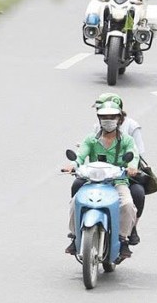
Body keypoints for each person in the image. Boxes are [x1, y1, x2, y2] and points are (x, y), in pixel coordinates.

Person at [63, 102, 140, 262]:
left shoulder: (126, 140)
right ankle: (74, 235)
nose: (108, 120)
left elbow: (134, 155)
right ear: (99, 119)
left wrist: (132, 167)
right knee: (74, 202)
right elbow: (80, 155)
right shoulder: (91, 139)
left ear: (119, 119)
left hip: (118, 182)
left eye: (112, 117)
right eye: (104, 117)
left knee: (126, 204)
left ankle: (123, 239)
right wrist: (73, 165)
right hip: (93, 181)